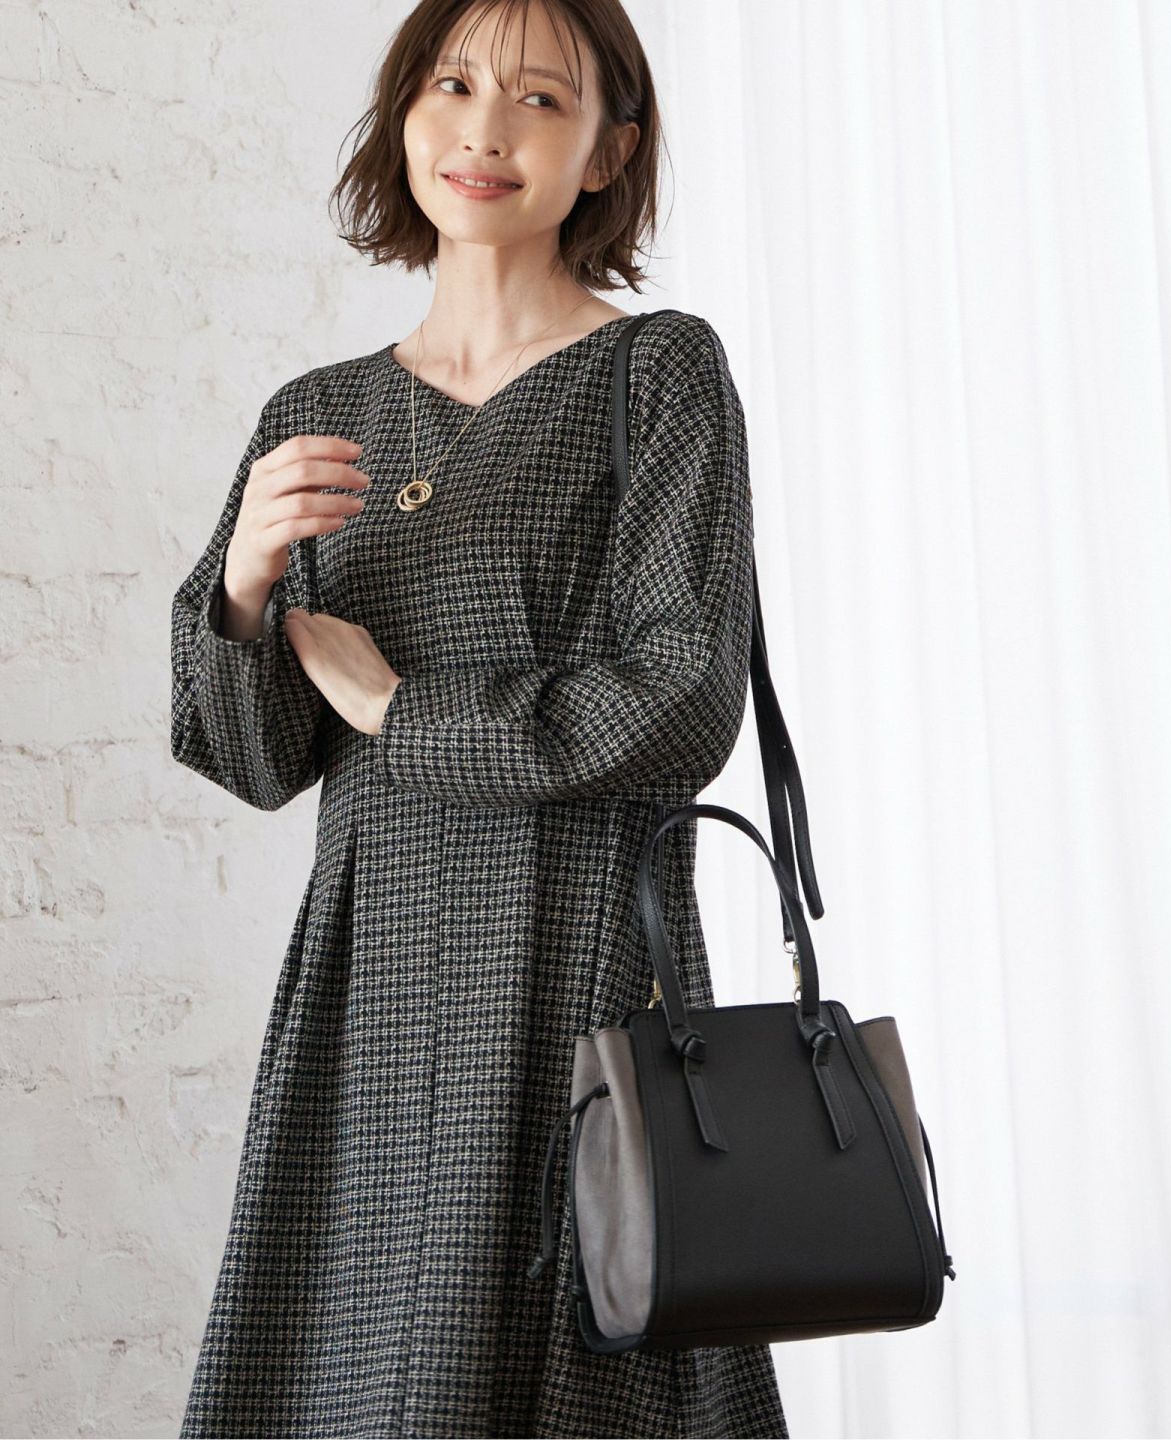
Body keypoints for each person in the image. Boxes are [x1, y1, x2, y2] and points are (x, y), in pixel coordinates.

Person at [171, 0, 787, 1435]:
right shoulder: (317, 409)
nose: (485, 128)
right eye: (451, 84)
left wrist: (408, 711)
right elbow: (250, 758)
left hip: (573, 968)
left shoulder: (657, 375)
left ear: (608, 151)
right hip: (367, 986)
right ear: (405, 114)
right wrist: (243, 588)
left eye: (540, 98)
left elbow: (684, 700)